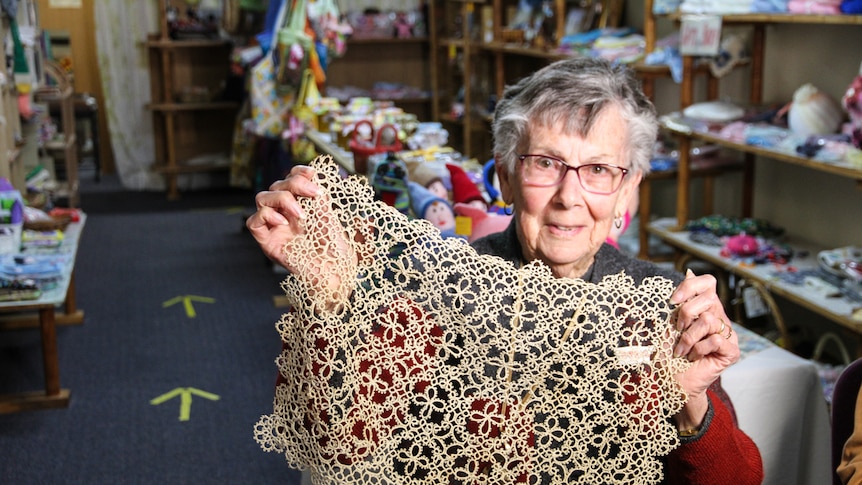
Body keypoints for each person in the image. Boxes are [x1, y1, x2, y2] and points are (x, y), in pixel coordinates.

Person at [247, 57, 764, 484]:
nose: (569, 198)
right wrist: (331, 299)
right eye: (545, 163)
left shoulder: (660, 303)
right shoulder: (435, 285)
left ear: (628, 190)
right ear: (506, 178)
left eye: (600, 170)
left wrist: (691, 400)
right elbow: (335, 446)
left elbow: (738, 479)